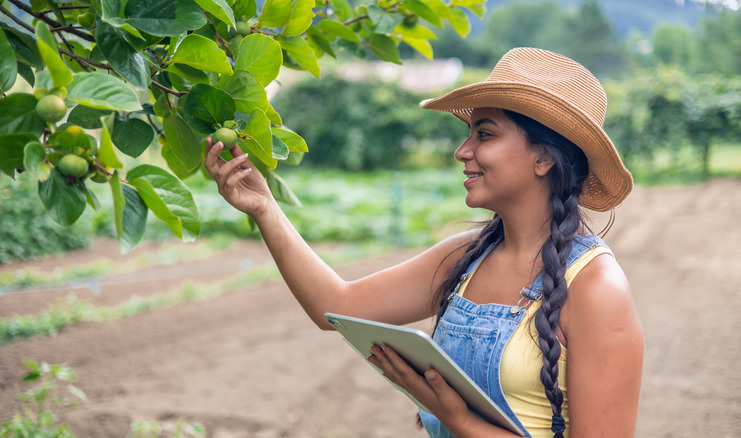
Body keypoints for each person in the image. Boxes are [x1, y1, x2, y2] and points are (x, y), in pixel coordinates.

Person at [204, 47, 644, 438]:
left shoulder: (595, 290)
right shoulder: (466, 256)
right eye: (469, 132)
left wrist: (460, 421)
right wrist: (265, 208)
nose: (462, 150)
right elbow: (335, 307)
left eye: (485, 134)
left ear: (544, 157)